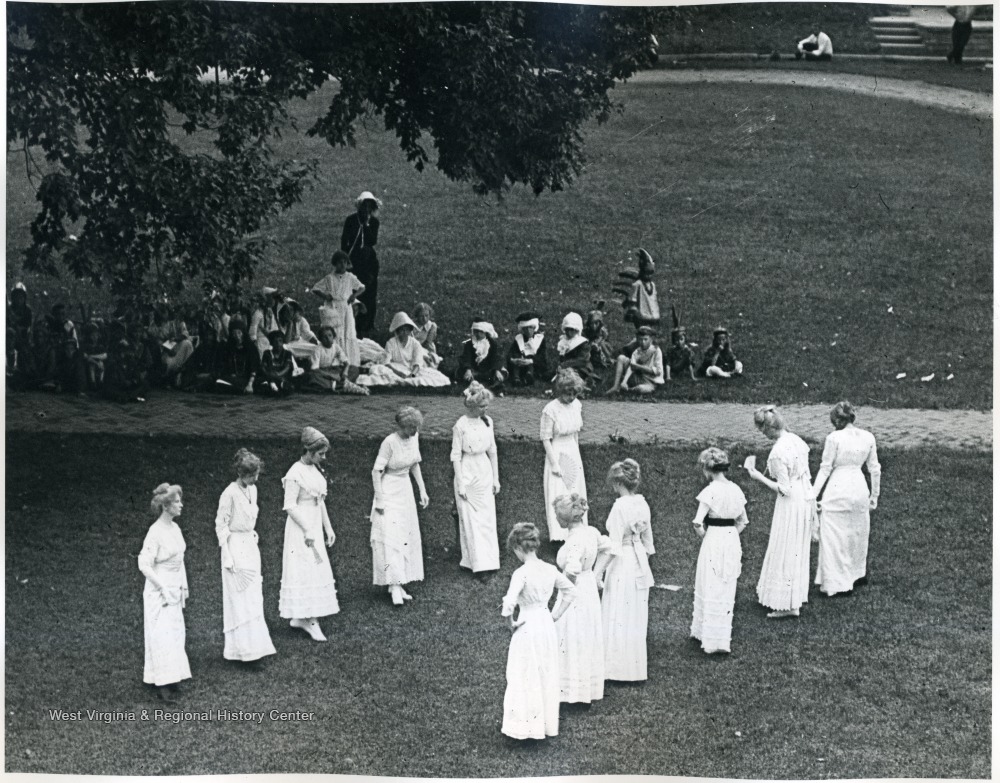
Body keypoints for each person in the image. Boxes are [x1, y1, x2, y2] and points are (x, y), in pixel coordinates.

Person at [500, 523, 575, 741]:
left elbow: (508, 603)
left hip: (527, 625)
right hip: (545, 624)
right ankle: (544, 724)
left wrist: (510, 623)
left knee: (523, 673)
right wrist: (554, 615)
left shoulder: (521, 573)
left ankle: (523, 727)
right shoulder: (549, 569)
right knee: (546, 672)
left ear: (517, 547)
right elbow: (571, 591)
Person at [745, 406, 815, 619]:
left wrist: (757, 476)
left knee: (785, 546)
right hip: (805, 496)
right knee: (795, 547)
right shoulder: (796, 440)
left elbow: (784, 489)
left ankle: (786, 603)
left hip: (791, 502)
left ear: (766, 429)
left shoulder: (777, 453)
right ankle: (793, 598)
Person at [813, 401, 881, 596]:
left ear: (836, 420)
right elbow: (875, 469)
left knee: (834, 535)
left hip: (838, 488)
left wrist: (813, 494)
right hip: (860, 488)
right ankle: (858, 573)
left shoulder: (834, 438)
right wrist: (874, 495)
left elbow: (825, 468)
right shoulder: (868, 436)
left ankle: (838, 582)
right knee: (858, 532)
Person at [215, 449, 277, 665]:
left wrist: (252, 531)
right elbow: (220, 525)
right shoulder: (229, 493)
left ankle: (256, 647)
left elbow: (250, 516)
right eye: (253, 475)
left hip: (250, 546)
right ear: (242, 473)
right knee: (240, 598)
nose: (256, 478)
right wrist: (227, 554)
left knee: (253, 597)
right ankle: (242, 651)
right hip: (235, 549)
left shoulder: (253, 490)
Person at [595, 458, 655, 681]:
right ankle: (634, 668)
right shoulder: (643, 503)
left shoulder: (620, 506)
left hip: (622, 562)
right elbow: (648, 543)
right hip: (639, 561)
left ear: (618, 484)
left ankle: (615, 668)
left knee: (618, 610)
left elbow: (614, 546)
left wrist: (597, 572)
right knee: (635, 612)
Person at [279, 427, 340, 642]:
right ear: (308, 451)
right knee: (305, 567)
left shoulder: (314, 470)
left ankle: (305, 617)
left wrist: (328, 527)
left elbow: (319, 501)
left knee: (316, 567)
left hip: (313, 522)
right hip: (300, 527)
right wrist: (307, 529)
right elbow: (289, 506)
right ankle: (308, 619)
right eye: (320, 453)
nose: (323, 458)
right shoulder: (295, 473)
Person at [690, 448, 749, 654]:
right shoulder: (736, 490)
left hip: (714, 538)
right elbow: (743, 521)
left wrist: (707, 536)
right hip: (731, 539)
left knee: (710, 581)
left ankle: (708, 635)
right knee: (726, 583)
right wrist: (731, 535)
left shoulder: (710, 491)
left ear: (706, 469)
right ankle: (720, 638)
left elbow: (698, 522)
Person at [552, 493, 608, 705]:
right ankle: (587, 687)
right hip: (588, 589)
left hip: (576, 591)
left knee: (571, 633)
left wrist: (565, 590)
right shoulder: (591, 532)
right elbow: (609, 548)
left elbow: (573, 568)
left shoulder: (575, 540)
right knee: (585, 633)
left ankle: (571, 690)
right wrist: (596, 575)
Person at [370, 406, 429, 606]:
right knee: (391, 535)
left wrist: (422, 489)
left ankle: (399, 582)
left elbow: (414, 464)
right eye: (411, 427)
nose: (414, 431)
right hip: (389, 490)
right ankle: (393, 585)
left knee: (404, 534)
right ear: (402, 426)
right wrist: (379, 499)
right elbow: (376, 471)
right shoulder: (389, 442)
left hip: (405, 491)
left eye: (416, 427)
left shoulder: (414, 438)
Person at [138, 483, 191, 701]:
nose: (181, 505)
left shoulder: (175, 529)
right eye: (177, 502)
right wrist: (163, 588)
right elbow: (144, 564)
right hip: (159, 591)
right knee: (161, 635)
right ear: (166, 507)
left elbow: (180, 560)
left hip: (175, 587)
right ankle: (162, 683)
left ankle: (173, 676)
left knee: (176, 633)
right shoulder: (155, 532)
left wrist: (184, 585)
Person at [451, 382, 501, 576]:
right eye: (482, 406)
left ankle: (489, 560)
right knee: (472, 519)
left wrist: (496, 479)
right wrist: (461, 483)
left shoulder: (487, 421)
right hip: (468, 471)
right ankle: (476, 563)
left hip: (484, 470)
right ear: (471, 405)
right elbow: (456, 456)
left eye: (486, 406)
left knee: (486, 518)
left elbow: (493, 450)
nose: (485, 409)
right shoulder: (460, 425)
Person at [540, 369, 589, 543]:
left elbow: (575, 432)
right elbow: (546, 438)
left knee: (575, 489)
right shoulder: (550, 410)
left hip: (572, 450)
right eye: (568, 394)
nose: (572, 398)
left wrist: (577, 454)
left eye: (575, 394)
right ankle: (559, 535)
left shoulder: (577, 405)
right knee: (560, 492)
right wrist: (554, 464)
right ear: (560, 391)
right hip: (558, 452)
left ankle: (578, 530)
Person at [357, 312, 451, 388]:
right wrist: (398, 373)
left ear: (410, 331)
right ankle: (400, 380)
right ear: (397, 331)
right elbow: (386, 362)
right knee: (378, 369)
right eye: (401, 330)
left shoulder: (415, 344)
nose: (404, 333)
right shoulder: (391, 343)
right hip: (394, 367)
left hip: (410, 368)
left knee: (434, 377)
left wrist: (412, 375)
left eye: (407, 330)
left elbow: (417, 363)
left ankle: (407, 380)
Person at [312, 250, 364, 372]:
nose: (342, 265)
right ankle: (333, 361)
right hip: (334, 307)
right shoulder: (329, 278)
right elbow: (315, 289)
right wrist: (325, 296)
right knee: (335, 332)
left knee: (348, 331)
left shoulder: (350, 277)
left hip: (346, 308)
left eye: (345, 263)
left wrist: (354, 295)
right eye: (339, 263)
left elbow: (362, 287)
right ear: (335, 264)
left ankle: (349, 361)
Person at [341, 191, 381, 335]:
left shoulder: (374, 222)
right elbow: (345, 240)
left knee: (369, 290)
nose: (367, 208)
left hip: (368, 261)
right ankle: (352, 321)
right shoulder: (351, 220)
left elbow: (372, 240)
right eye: (365, 205)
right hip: (354, 260)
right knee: (353, 290)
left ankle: (368, 323)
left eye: (370, 206)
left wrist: (366, 224)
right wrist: (345, 260)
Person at [607, 326, 664, 394]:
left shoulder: (656, 350)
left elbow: (658, 371)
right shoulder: (637, 351)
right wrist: (624, 382)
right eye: (640, 339)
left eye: (646, 339)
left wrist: (638, 367)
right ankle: (616, 386)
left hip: (651, 381)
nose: (643, 342)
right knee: (621, 358)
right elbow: (631, 367)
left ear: (651, 339)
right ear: (637, 339)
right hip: (639, 378)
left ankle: (627, 390)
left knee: (641, 389)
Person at [457, 320, 508, 391]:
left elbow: (496, 357)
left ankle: (494, 385)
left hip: (488, 369)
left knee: (503, 372)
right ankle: (473, 384)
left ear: (486, 332)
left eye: (481, 332)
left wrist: (496, 370)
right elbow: (466, 357)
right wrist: (468, 369)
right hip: (474, 369)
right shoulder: (469, 344)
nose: (478, 334)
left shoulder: (492, 344)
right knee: (461, 372)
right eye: (476, 331)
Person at [215, 318, 259, 394]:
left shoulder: (251, 347)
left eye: (239, 333)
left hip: (248, 378)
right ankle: (240, 390)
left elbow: (254, 367)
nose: (237, 336)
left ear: (243, 333)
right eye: (234, 333)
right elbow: (225, 365)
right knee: (218, 382)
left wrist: (250, 384)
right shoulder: (229, 347)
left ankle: (244, 389)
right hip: (234, 379)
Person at [506, 311, 550, 387]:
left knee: (532, 365)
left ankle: (529, 376)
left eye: (530, 328)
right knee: (516, 359)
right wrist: (514, 360)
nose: (528, 331)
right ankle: (516, 378)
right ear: (522, 329)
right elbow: (512, 352)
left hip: (534, 364)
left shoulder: (540, 339)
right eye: (525, 328)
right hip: (521, 364)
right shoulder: (518, 339)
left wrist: (530, 361)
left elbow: (542, 356)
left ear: (535, 328)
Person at [623, 249, 661, 328]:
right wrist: (637, 314)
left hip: (653, 317)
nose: (648, 276)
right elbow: (632, 302)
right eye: (646, 273)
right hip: (643, 318)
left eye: (650, 274)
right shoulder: (637, 285)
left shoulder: (652, 285)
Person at [256, 330, 298, 397]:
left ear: (283, 342)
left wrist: (278, 374)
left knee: (289, 386)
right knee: (262, 385)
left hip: (282, 377)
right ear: (271, 343)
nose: (278, 344)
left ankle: (276, 387)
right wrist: (270, 375)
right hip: (269, 376)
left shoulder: (287, 353)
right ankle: (273, 387)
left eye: (280, 341)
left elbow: (287, 367)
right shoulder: (267, 353)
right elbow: (263, 367)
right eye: (275, 342)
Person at [555, 312, 593, 381]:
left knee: (575, 376)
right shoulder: (564, 340)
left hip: (581, 366)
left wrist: (564, 365)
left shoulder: (582, 343)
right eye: (567, 329)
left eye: (572, 329)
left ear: (577, 329)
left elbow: (582, 360)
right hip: (566, 365)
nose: (569, 333)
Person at [248, 287, 284, 357]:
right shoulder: (258, 313)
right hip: (261, 341)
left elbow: (274, 328)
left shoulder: (270, 312)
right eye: (272, 298)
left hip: (272, 341)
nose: (274, 300)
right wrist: (254, 343)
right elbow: (253, 330)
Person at [412, 302, 442, 368]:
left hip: (425, 349)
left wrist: (428, 355)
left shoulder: (431, 326)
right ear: (417, 316)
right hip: (412, 350)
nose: (424, 319)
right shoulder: (411, 326)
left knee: (431, 361)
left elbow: (428, 344)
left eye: (426, 315)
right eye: (421, 316)